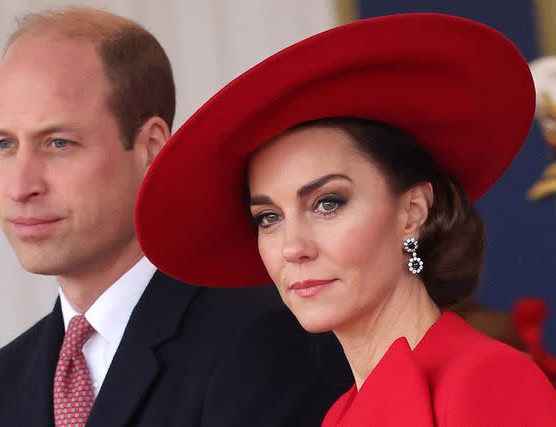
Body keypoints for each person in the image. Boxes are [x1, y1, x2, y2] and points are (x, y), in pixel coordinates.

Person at [135, 13, 556, 426]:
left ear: (413, 212)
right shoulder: (340, 414)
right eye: (268, 218)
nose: (293, 248)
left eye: (328, 203)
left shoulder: (487, 380)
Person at [0, 7, 352, 427]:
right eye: (4, 144)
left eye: (57, 143)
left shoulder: (262, 338)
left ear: (152, 147)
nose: (20, 186)